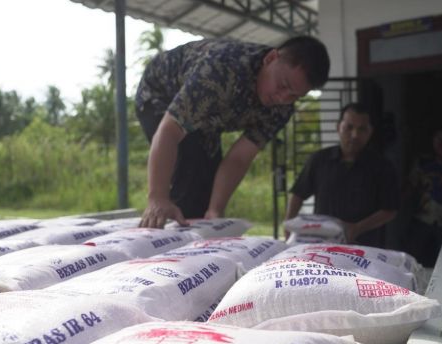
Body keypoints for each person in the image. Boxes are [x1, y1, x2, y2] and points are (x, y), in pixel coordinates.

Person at [135, 36, 330, 228]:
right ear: (270, 59)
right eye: (283, 85)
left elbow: (239, 158)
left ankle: (198, 239)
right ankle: (167, 239)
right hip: (159, 95)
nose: (283, 97)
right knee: (190, 170)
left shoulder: (283, 108)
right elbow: (168, 131)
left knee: (207, 188)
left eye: (294, 95)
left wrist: (215, 210)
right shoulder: (221, 69)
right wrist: (157, 198)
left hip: (208, 120)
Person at [285, 103, 399, 246]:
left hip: (365, 248)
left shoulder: (382, 166)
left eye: (362, 129)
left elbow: (389, 210)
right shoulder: (319, 160)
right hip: (322, 244)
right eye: (349, 127)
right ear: (338, 127)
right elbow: (298, 195)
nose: (355, 135)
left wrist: (357, 228)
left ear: (370, 132)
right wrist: (288, 227)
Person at [404, 126, 442, 267]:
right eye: (437, 139)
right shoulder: (423, 162)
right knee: (411, 257)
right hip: (423, 217)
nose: (440, 143)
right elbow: (410, 185)